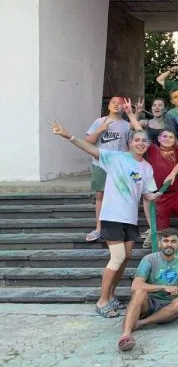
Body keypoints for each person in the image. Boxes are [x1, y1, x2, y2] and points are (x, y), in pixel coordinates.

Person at [50, 118, 159, 318]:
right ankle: (102, 301)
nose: (140, 143)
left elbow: (146, 193)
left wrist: (153, 196)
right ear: (130, 142)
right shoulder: (115, 158)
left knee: (125, 257)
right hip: (112, 215)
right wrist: (69, 136)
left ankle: (111, 295)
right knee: (117, 257)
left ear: (148, 144)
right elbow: (90, 149)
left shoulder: (147, 168)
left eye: (144, 141)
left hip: (130, 219)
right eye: (137, 140)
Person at [126, 105, 178, 248]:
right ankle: (164, 252)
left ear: (174, 140)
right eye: (164, 136)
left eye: (171, 137)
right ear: (158, 139)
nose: (168, 139)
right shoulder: (152, 150)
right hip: (159, 196)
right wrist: (130, 115)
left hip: (177, 194)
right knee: (161, 231)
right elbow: (140, 130)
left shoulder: (177, 151)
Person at [117, 229, 178, 352]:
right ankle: (125, 335)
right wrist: (163, 287)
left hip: (169, 304)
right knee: (139, 292)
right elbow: (136, 285)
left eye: (173, 241)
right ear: (159, 244)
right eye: (166, 241)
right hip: (149, 301)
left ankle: (141, 323)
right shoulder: (149, 259)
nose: (169, 244)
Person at [83, 96, 132, 242]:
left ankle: (119, 227)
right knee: (101, 195)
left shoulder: (127, 125)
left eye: (120, 103)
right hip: (100, 164)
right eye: (113, 102)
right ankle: (99, 228)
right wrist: (99, 130)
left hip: (119, 166)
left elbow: (130, 147)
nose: (116, 105)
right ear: (109, 106)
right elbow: (87, 142)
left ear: (124, 107)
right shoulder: (99, 121)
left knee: (120, 195)